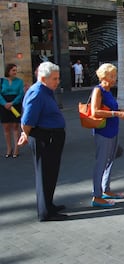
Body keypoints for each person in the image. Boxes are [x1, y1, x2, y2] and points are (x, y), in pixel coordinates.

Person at [17, 62, 67, 221]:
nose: (57, 81)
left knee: (51, 174)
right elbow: (27, 120)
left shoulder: (46, 90)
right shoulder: (37, 93)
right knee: (45, 174)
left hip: (52, 137)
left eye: (58, 78)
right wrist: (25, 134)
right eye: (54, 78)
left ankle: (48, 204)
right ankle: (45, 212)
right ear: (43, 78)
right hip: (45, 138)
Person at [90, 63, 124, 207]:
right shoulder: (98, 91)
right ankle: (97, 196)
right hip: (103, 132)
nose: (114, 79)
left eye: (115, 76)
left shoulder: (108, 91)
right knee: (101, 162)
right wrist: (116, 113)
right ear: (104, 76)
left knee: (110, 160)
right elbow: (95, 112)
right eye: (112, 76)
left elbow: (110, 108)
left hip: (113, 130)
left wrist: (120, 110)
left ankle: (106, 189)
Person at [0, 63, 24, 158]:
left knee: (15, 126)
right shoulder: (1, 81)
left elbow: (20, 94)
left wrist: (12, 103)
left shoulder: (19, 81)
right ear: (8, 71)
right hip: (4, 105)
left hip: (15, 104)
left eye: (15, 70)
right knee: (6, 127)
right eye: (13, 70)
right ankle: (9, 148)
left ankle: (16, 148)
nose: (15, 72)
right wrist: (4, 103)